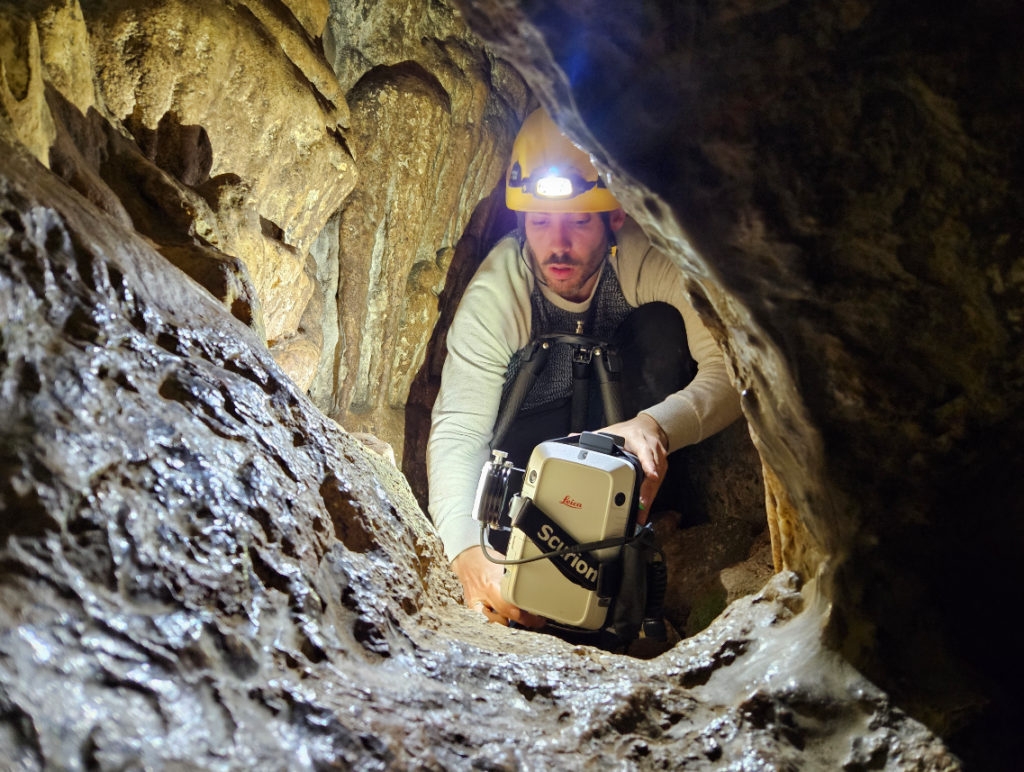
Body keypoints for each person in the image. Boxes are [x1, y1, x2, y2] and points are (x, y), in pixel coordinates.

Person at [427, 108, 742, 628]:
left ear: (614, 217)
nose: (558, 245)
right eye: (540, 222)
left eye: (577, 221)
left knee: (665, 324)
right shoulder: (499, 293)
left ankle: (640, 536)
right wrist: (466, 553)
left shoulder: (643, 259)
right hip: (527, 460)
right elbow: (460, 432)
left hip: (623, 444)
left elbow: (735, 367)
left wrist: (655, 426)